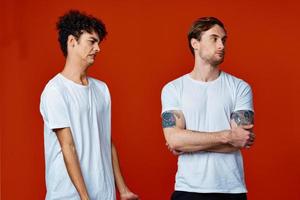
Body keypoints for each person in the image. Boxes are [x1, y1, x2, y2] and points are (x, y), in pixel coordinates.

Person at [40, 10, 139, 200]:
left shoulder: (102, 89)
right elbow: (68, 146)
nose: (98, 48)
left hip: (104, 193)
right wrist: (85, 198)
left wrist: (123, 189)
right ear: (72, 42)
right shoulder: (55, 90)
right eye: (92, 42)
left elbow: (107, 142)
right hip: (68, 196)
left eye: (98, 43)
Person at [161, 17, 255, 200]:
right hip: (188, 189)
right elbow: (175, 140)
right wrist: (227, 136)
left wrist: (189, 143)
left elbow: (241, 140)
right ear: (195, 43)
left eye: (223, 40)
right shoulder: (173, 88)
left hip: (231, 190)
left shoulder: (240, 87)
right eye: (214, 38)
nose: (221, 45)